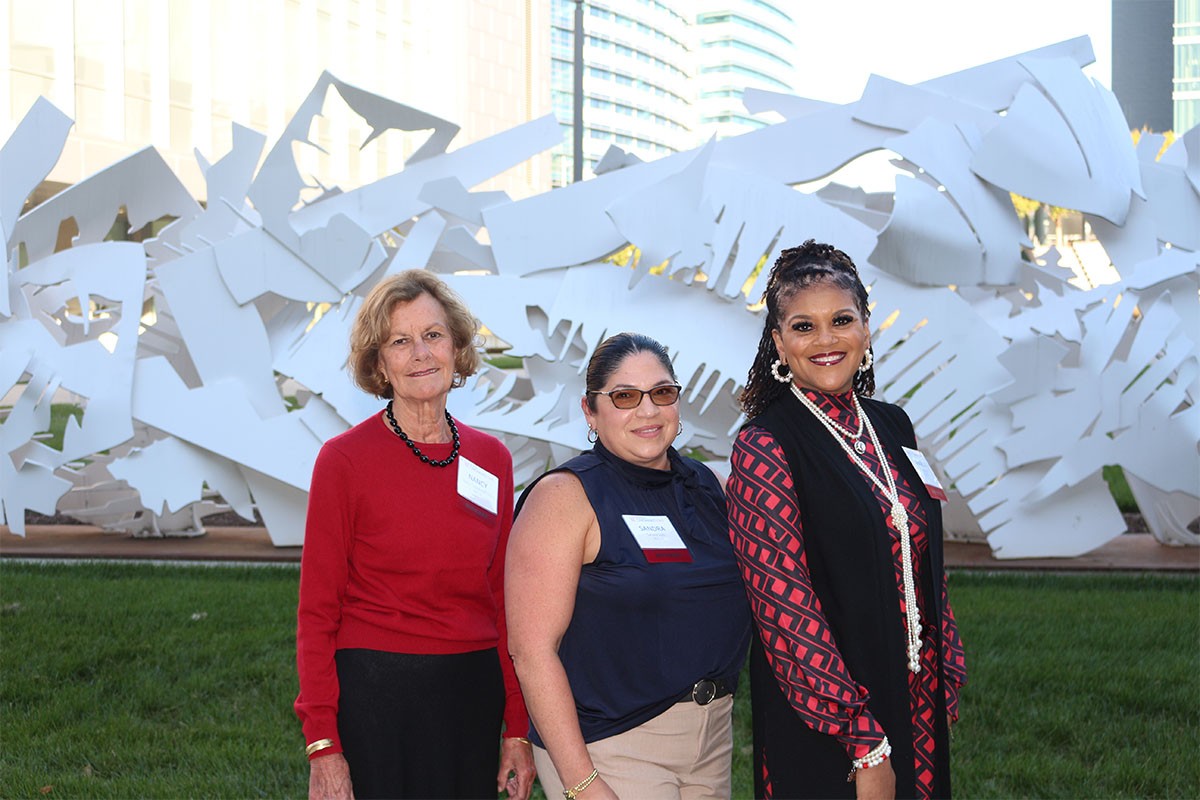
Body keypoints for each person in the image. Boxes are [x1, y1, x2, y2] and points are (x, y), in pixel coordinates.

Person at [727, 241, 967, 800]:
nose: (827, 340)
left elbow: (918, 546)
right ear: (779, 344)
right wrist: (859, 736)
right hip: (828, 711)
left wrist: (946, 657)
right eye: (803, 327)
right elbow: (783, 607)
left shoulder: (893, 426)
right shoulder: (765, 446)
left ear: (866, 327)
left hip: (913, 689)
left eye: (841, 320)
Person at [294, 270, 535, 800]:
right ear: (379, 363)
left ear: (456, 346)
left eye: (433, 335)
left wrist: (517, 727)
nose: (421, 353)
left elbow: (503, 601)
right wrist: (323, 745)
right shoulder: (343, 462)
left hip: (471, 698)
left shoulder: (491, 460)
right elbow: (317, 612)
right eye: (400, 341)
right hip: (376, 700)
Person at [506, 332, 752, 800]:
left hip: (712, 740)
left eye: (662, 393)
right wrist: (582, 781)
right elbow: (531, 650)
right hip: (612, 747)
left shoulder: (708, 486)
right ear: (590, 412)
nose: (648, 410)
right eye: (624, 396)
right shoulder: (564, 498)